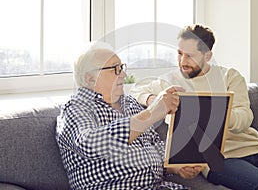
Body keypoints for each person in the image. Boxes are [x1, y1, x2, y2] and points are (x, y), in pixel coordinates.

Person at [130, 24, 258, 190]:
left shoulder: (229, 76)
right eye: (180, 54)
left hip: (256, 149)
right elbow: (136, 90)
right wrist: (157, 100)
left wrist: (215, 114)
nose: (183, 61)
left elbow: (244, 118)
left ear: (207, 56)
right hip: (217, 159)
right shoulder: (169, 81)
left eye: (190, 56)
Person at [55, 42, 203, 190]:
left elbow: (153, 146)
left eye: (122, 67)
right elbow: (90, 144)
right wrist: (152, 112)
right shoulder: (75, 108)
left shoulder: (130, 104)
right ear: (90, 78)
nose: (124, 74)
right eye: (115, 69)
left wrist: (175, 166)